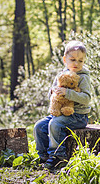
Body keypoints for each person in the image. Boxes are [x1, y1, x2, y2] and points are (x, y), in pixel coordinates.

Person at [34, 40, 91, 170]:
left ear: (84, 61)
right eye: (73, 59)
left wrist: (68, 93)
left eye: (80, 61)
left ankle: (58, 156)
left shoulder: (83, 77)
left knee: (55, 124)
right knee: (39, 126)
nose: (76, 63)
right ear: (65, 59)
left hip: (78, 116)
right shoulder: (61, 75)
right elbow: (52, 96)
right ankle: (44, 156)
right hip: (59, 112)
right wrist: (54, 93)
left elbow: (86, 99)